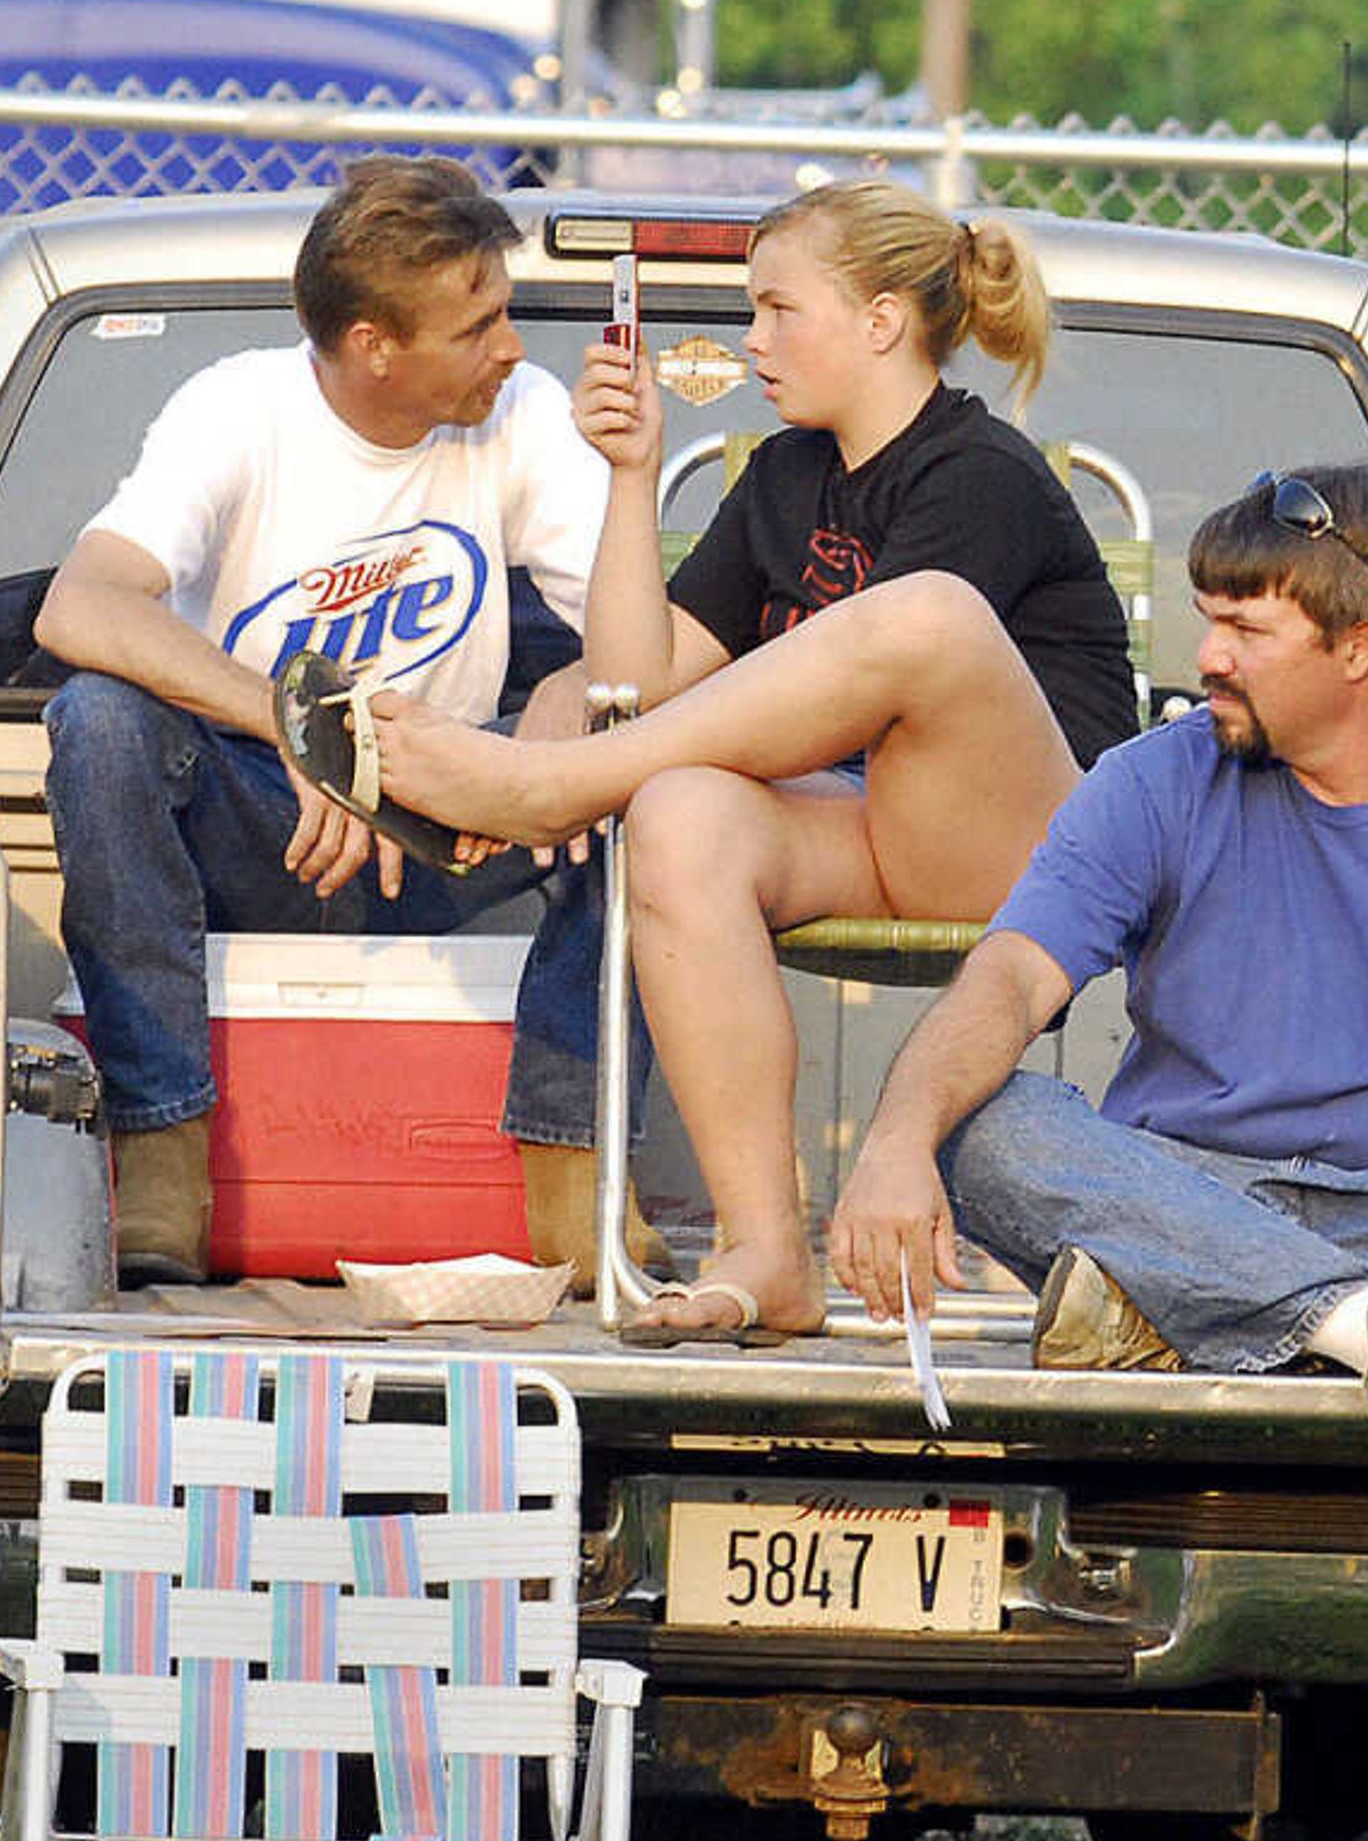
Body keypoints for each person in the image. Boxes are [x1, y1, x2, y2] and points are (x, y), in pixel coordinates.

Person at [353, 182, 1108, 1342]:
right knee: (678, 809)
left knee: (927, 618)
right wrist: (630, 475)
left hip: (1041, 861)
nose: (749, 338)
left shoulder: (981, 475)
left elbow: (827, 704)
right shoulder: (784, 475)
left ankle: (540, 790)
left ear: (881, 320)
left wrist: (562, 773)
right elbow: (633, 681)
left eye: (775, 307)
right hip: (883, 826)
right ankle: (767, 1249)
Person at [817, 464, 1368, 1413]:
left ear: (1359, 648)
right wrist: (895, 1140)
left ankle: (1176, 1311)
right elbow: (1010, 977)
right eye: (1209, 618)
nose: (1207, 655)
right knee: (985, 1125)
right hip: (1181, 1178)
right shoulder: (1150, 779)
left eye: (1246, 631)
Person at [34, 155, 609, 1287]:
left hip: (453, 814)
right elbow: (80, 602)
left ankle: (574, 1177)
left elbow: (646, 641)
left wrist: (559, 707)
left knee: (636, 777)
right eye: (479, 324)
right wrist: (305, 737)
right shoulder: (238, 407)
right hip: (272, 816)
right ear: (371, 346)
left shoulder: (524, 414)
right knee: (96, 721)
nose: (514, 346)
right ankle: (161, 1157)